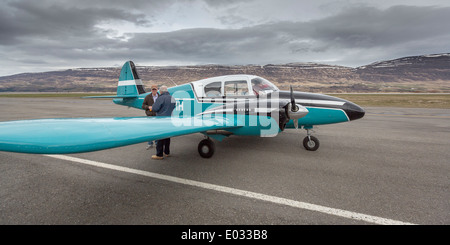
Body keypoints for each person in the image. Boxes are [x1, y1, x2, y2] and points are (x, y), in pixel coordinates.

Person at [149, 85, 176, 160]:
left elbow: (155, 108)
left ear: (160, 91)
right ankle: (167, 152)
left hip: (161, 120)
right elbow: (174, 107)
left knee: (160, 137)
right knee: (167, 137)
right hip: (169, 120)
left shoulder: (160, 98)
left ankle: (159, 154)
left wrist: (152, 107)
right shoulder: (172, 98)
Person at [142, 84, 159, 149]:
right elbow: (143, 105)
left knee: (157, 130)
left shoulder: (160, 96)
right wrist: (148, 107)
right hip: (150, 116)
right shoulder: (147, 97)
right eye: (153, 89)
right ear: (151, 90)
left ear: (157, 90)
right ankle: (150, 144)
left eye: (155, 89)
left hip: (157, 116)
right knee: (150, 130)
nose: (154, 90)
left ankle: (157, 143)